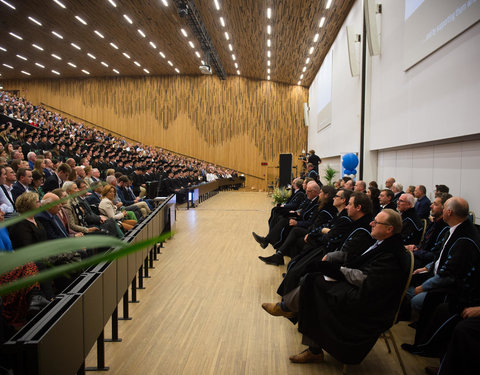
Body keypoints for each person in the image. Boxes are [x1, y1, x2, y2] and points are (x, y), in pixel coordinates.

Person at [262, 209, 410, 365]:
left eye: (376, 222)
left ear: (389, 229)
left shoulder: (392, 255)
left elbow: (366, 279)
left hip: (368, 303)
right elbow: (361, 262)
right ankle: (291, 314)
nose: (371, 223)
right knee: (313, 279)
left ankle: (289, 311)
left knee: (314, 285)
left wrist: (339, 271)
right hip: (363, 290)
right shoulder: (384, 244)